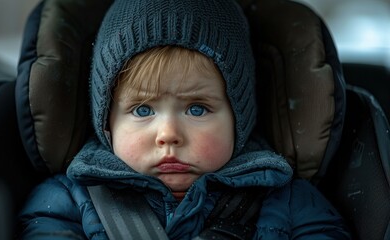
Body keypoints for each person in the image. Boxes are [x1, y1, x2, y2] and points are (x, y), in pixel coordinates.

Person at [18, 0, 351, 239]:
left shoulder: (288, 200)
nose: (168, 134)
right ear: (107, 122)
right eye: (143, 110)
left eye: (196, 109)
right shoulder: (68, 201)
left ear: (240, 118)